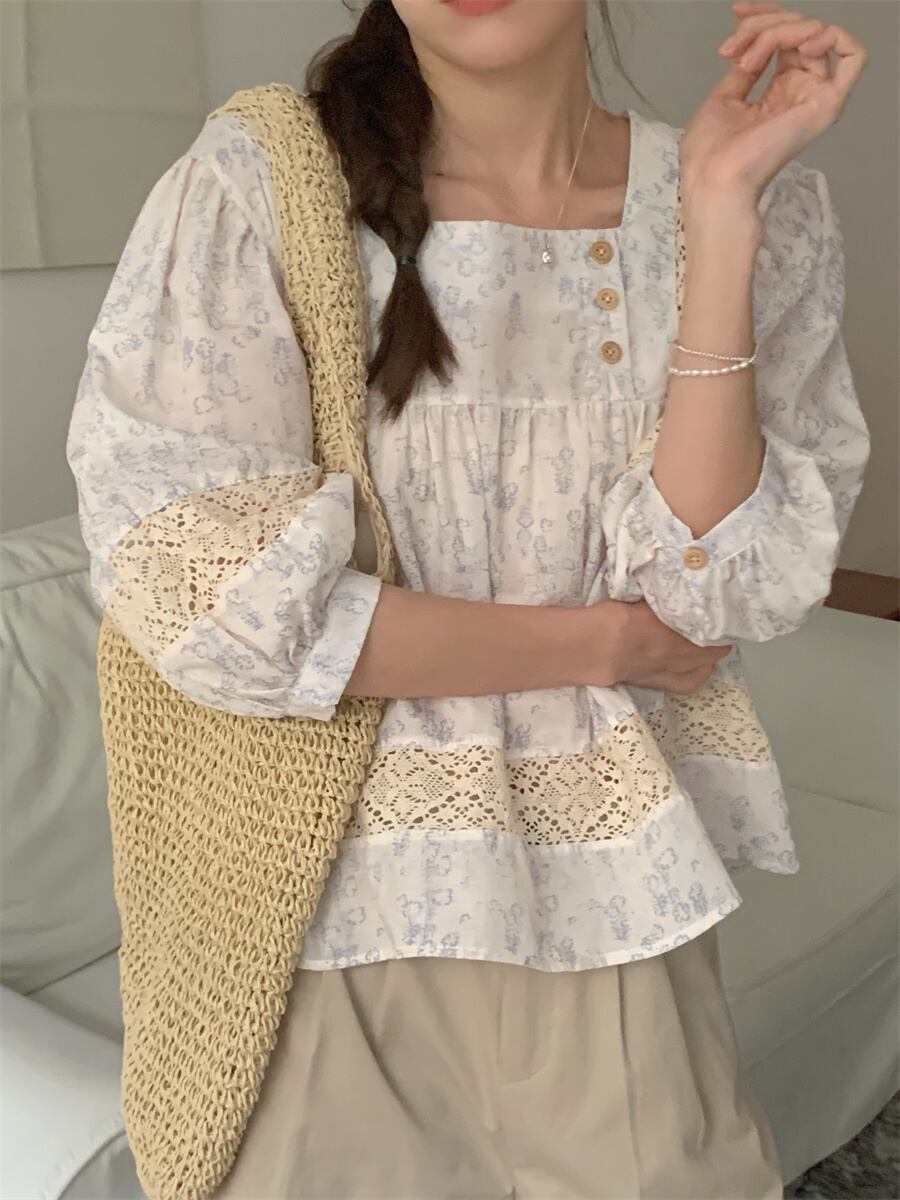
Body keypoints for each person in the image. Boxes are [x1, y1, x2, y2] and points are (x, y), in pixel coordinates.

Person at [65, 0, 870, 1196]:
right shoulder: (260, 186)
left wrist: (717, 213)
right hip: (329, 910)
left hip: (616, 895)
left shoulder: (749, 201)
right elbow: (213, 597)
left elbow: (710, 589)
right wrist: (602, 645)